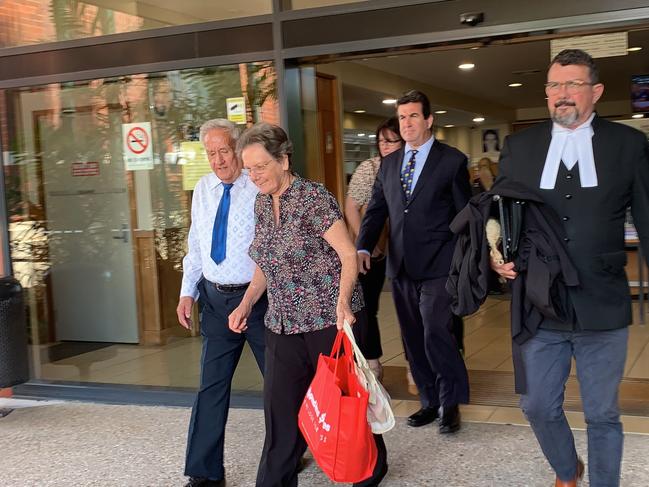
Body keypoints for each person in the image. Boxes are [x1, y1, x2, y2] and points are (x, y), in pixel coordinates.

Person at [491, 49, 649, 487]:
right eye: (554, 86)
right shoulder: (520, 147)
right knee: (537, 404)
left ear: (595, 92)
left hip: (604, 300)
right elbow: (498, 214)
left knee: (602, 413)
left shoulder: (628, 144)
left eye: (573, 84)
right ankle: (567, 469)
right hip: (542, 302)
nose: (562, 95)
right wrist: (495, 253)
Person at [228, 122, 388, 487]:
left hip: (328, 318)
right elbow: (267, 264)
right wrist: (246, 303)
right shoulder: (261, 203)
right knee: (280, 411)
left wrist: (344, 303)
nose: (253, 176)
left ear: (283, 160)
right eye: (248, 168)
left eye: (260, 166)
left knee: (345, 401)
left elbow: (348, 254)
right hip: (282, 322)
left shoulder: (313, 198)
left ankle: (370, 468)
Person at [357, 90, 471, 434]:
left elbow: (466, 213)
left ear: (428, 120)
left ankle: (451, 403)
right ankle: (429, 400)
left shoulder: (452, 161)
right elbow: (377, 209)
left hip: (440, 263)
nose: (407, 123)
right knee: (412, 336)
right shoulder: (389, 164)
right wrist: (363, 246)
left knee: (437, 330)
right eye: (402, 117)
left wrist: (466, 259)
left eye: (413, 116)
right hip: (401, 265)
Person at [177, 119, 267, 487]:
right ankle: (204, 472)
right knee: (210, 387)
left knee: (281, 384)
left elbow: (269, 248)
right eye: (210, 153)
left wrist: (250, 300)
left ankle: (291, 452)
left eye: (223, 151)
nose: (217, 160)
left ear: (237, 148)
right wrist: (188, 291)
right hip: (216, 301)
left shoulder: (258, 185)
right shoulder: (203, 188)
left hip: (260, 302)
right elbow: (196, 243)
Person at [344, 117, 403, 379]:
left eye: (391, 141)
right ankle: (372, 361)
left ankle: (417, 363)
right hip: (374, 248)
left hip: (406, 247)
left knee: (411, 308)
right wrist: (364, 244)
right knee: (366, 307)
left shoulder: (412, 168)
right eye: (381, 141)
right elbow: (351, 207)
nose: (386, 146)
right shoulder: (370, 168)